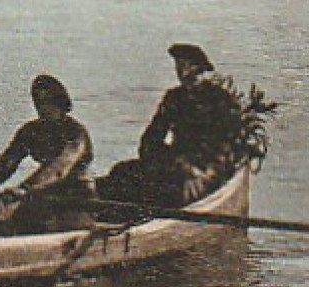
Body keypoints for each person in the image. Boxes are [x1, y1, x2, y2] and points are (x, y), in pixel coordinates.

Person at [99, 44, 244, 207]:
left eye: (185, 65)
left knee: (177, 187)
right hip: (175, 163)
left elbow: (225, 147)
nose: (180, 71)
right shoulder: (174, 98)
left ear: (198, 68)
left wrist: (196, 164)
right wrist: (162, 158)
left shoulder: (221, 100)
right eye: (178, 65)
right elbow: (151, 138)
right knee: (123, 171)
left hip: (206, 168)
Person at [0, 75, 96, 235]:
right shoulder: (31, 131)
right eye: (39, 102)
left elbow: (59, 168)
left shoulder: (76, 133)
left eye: (48, 102)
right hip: (45, 194)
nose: (43, 108)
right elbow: (9, 160)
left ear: (61, 104)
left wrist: (25, 188)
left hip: (77, 198)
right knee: (12, 224)